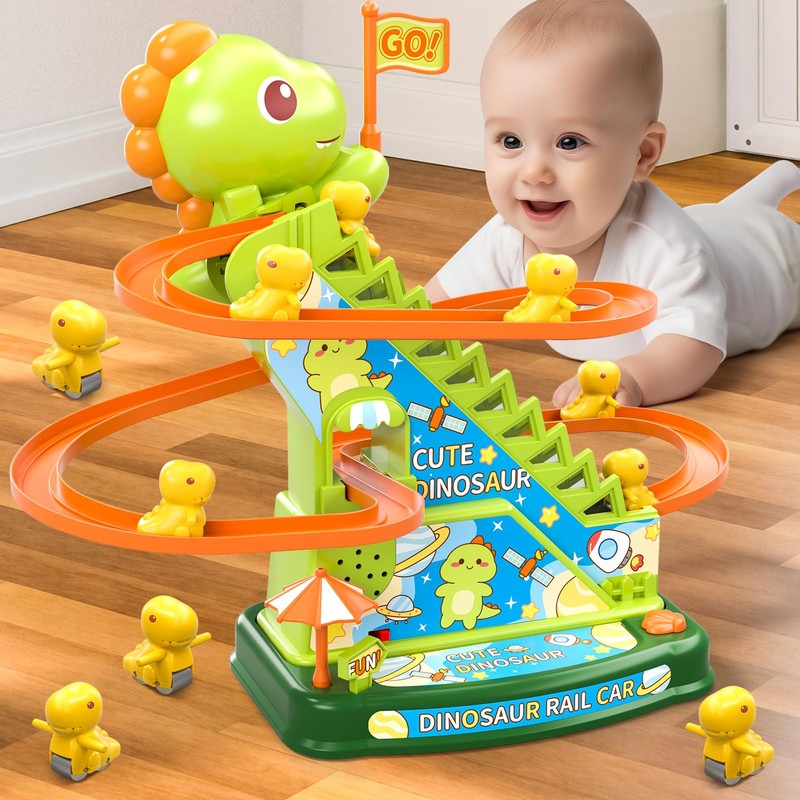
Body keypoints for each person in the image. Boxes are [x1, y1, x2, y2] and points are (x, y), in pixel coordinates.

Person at [425, 0, 800, 407]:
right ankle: (774, 182)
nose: (533, 172)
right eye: (510, 141)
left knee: (743, 226)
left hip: (774, 261)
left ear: (642, 153)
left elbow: (694, 346)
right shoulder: (506, 236)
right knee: (726, 216)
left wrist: (635, 377)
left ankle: (772, 187)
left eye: (569, 142)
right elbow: (433, 311)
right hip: (711, 224)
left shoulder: (668, 251)